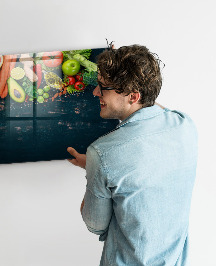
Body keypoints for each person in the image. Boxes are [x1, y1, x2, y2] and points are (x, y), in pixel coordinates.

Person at [67, 45, 197, 265]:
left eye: (103, 87)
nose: (95, 92)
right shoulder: (185, 125)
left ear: (133, 95)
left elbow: (95, 225)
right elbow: (151, 109)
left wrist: (95, 169)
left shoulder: (102, 153)